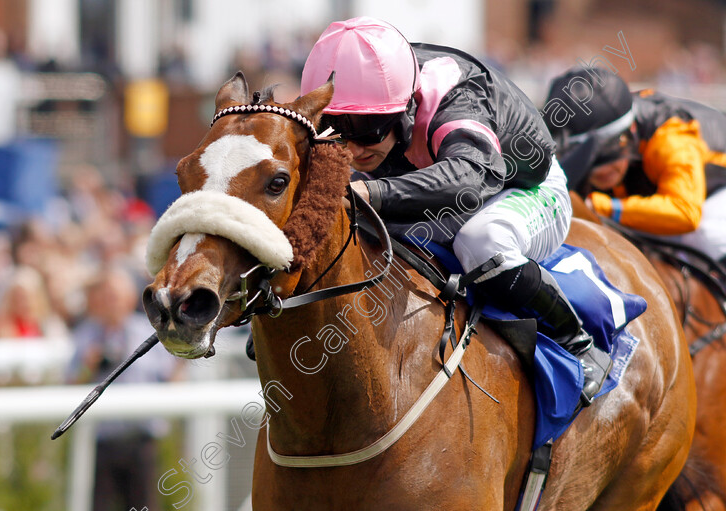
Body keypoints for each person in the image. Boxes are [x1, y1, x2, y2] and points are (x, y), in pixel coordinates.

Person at [299, 16, 610, 404]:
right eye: (336, 130)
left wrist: (371, 191)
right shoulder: (373, 93)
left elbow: (470, 176)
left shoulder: (455, 96)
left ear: (406, 106)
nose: (354, 148)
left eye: (368, 130)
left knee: (481, 242)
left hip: (521, 186)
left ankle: (578, 341)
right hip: (438, 184)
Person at [544, 66, 726, 265]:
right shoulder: (608, 119)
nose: (601, 171)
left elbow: (686, 213)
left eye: (608, 154)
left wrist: (602, 206)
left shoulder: (671, 138)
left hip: (710, 197)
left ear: (630, 129)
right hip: (663, 190)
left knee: (704, 234)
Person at [66, 265, 183, 511]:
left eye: (116, 296)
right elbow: (69, 385)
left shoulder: (149, 333)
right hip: (101, 442)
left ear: (130, 298)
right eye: (106, 296)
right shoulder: (85, 335)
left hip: (142, 440)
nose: (111, 303)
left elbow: (171, 377)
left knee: (145, 505)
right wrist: (89, 365)